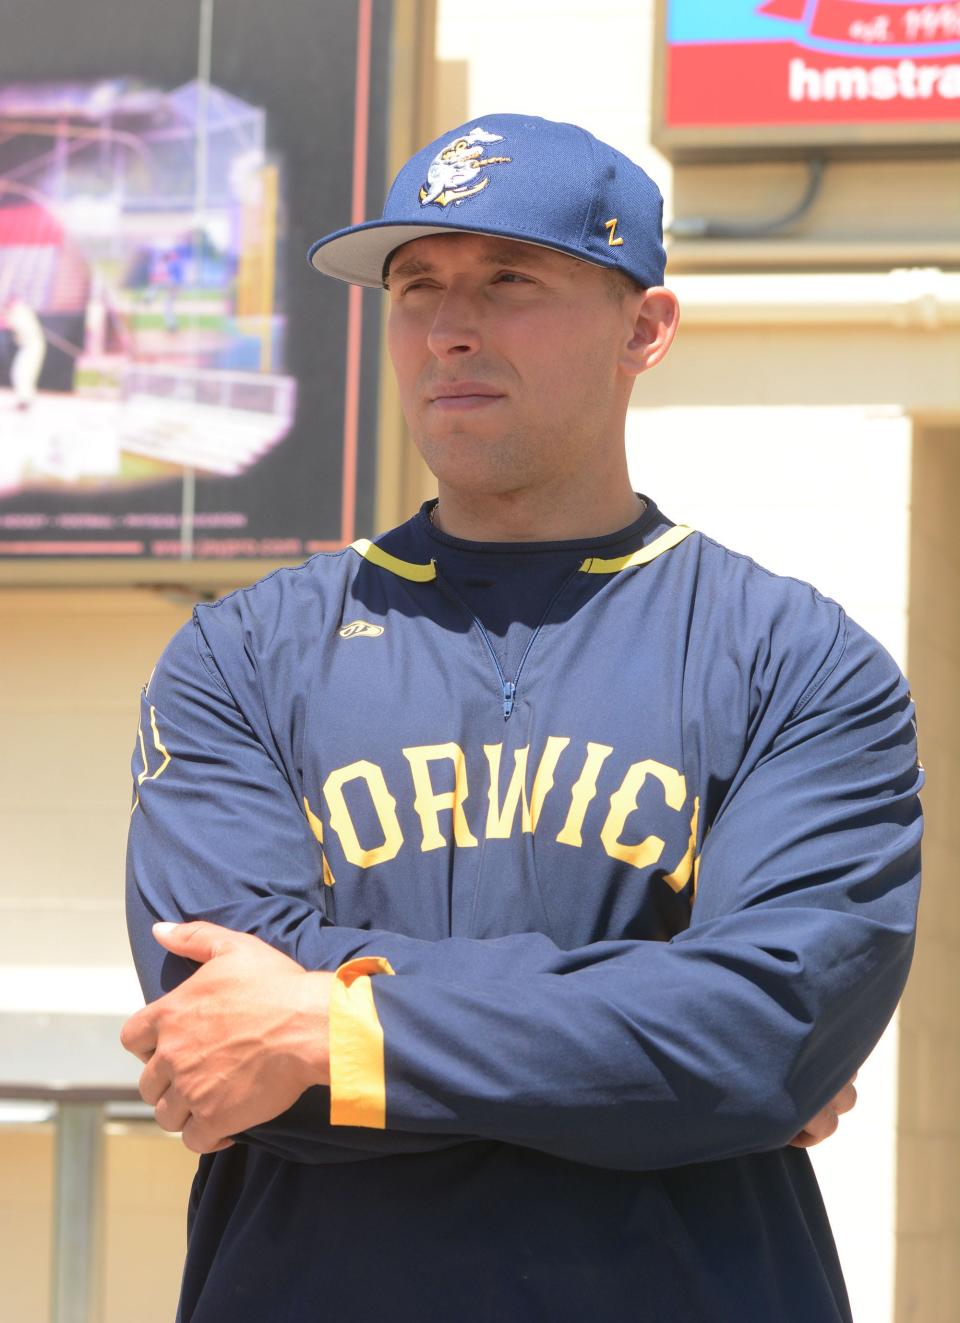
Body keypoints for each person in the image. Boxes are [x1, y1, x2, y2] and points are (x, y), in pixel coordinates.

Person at [121, 113, 921, 1322]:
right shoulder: (239, 656)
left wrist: (331, 1026)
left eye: (511, 280)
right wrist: (657, 1048)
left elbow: (765, 1036)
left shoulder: (796, 661)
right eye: (417, 288)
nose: (450, 328)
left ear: (644, 328)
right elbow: (221, 1048)